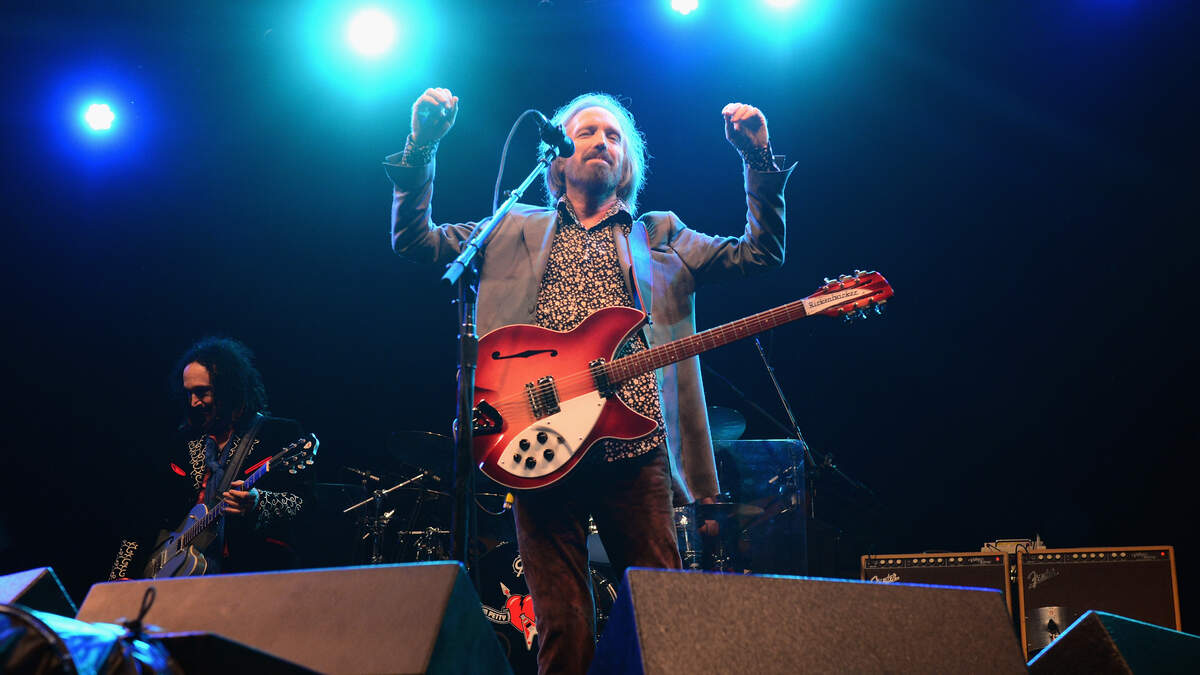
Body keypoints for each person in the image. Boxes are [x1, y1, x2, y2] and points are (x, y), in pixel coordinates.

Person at [385, 87, 792, 674]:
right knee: (563, 626)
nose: (602, 141)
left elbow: (760, 254)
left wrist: (757, 156)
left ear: (627, 164)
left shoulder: (660, 234)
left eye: (614, 136)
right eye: (586, 132)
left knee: (660, 618)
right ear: (555, 157)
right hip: (537, 446)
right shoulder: (510, 226)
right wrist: (422, 145)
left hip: (636, 450)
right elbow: (415, 241)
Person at [142, 337, 308, 577]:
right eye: (188, 393)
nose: (193, 402)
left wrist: (258, 502)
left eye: (202, 392)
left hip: (253, 574)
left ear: (228, 389)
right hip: (181, 575)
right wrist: (120, 577)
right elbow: (148, 512)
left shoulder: (279, 433)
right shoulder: (182, 441)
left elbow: (305, 505)